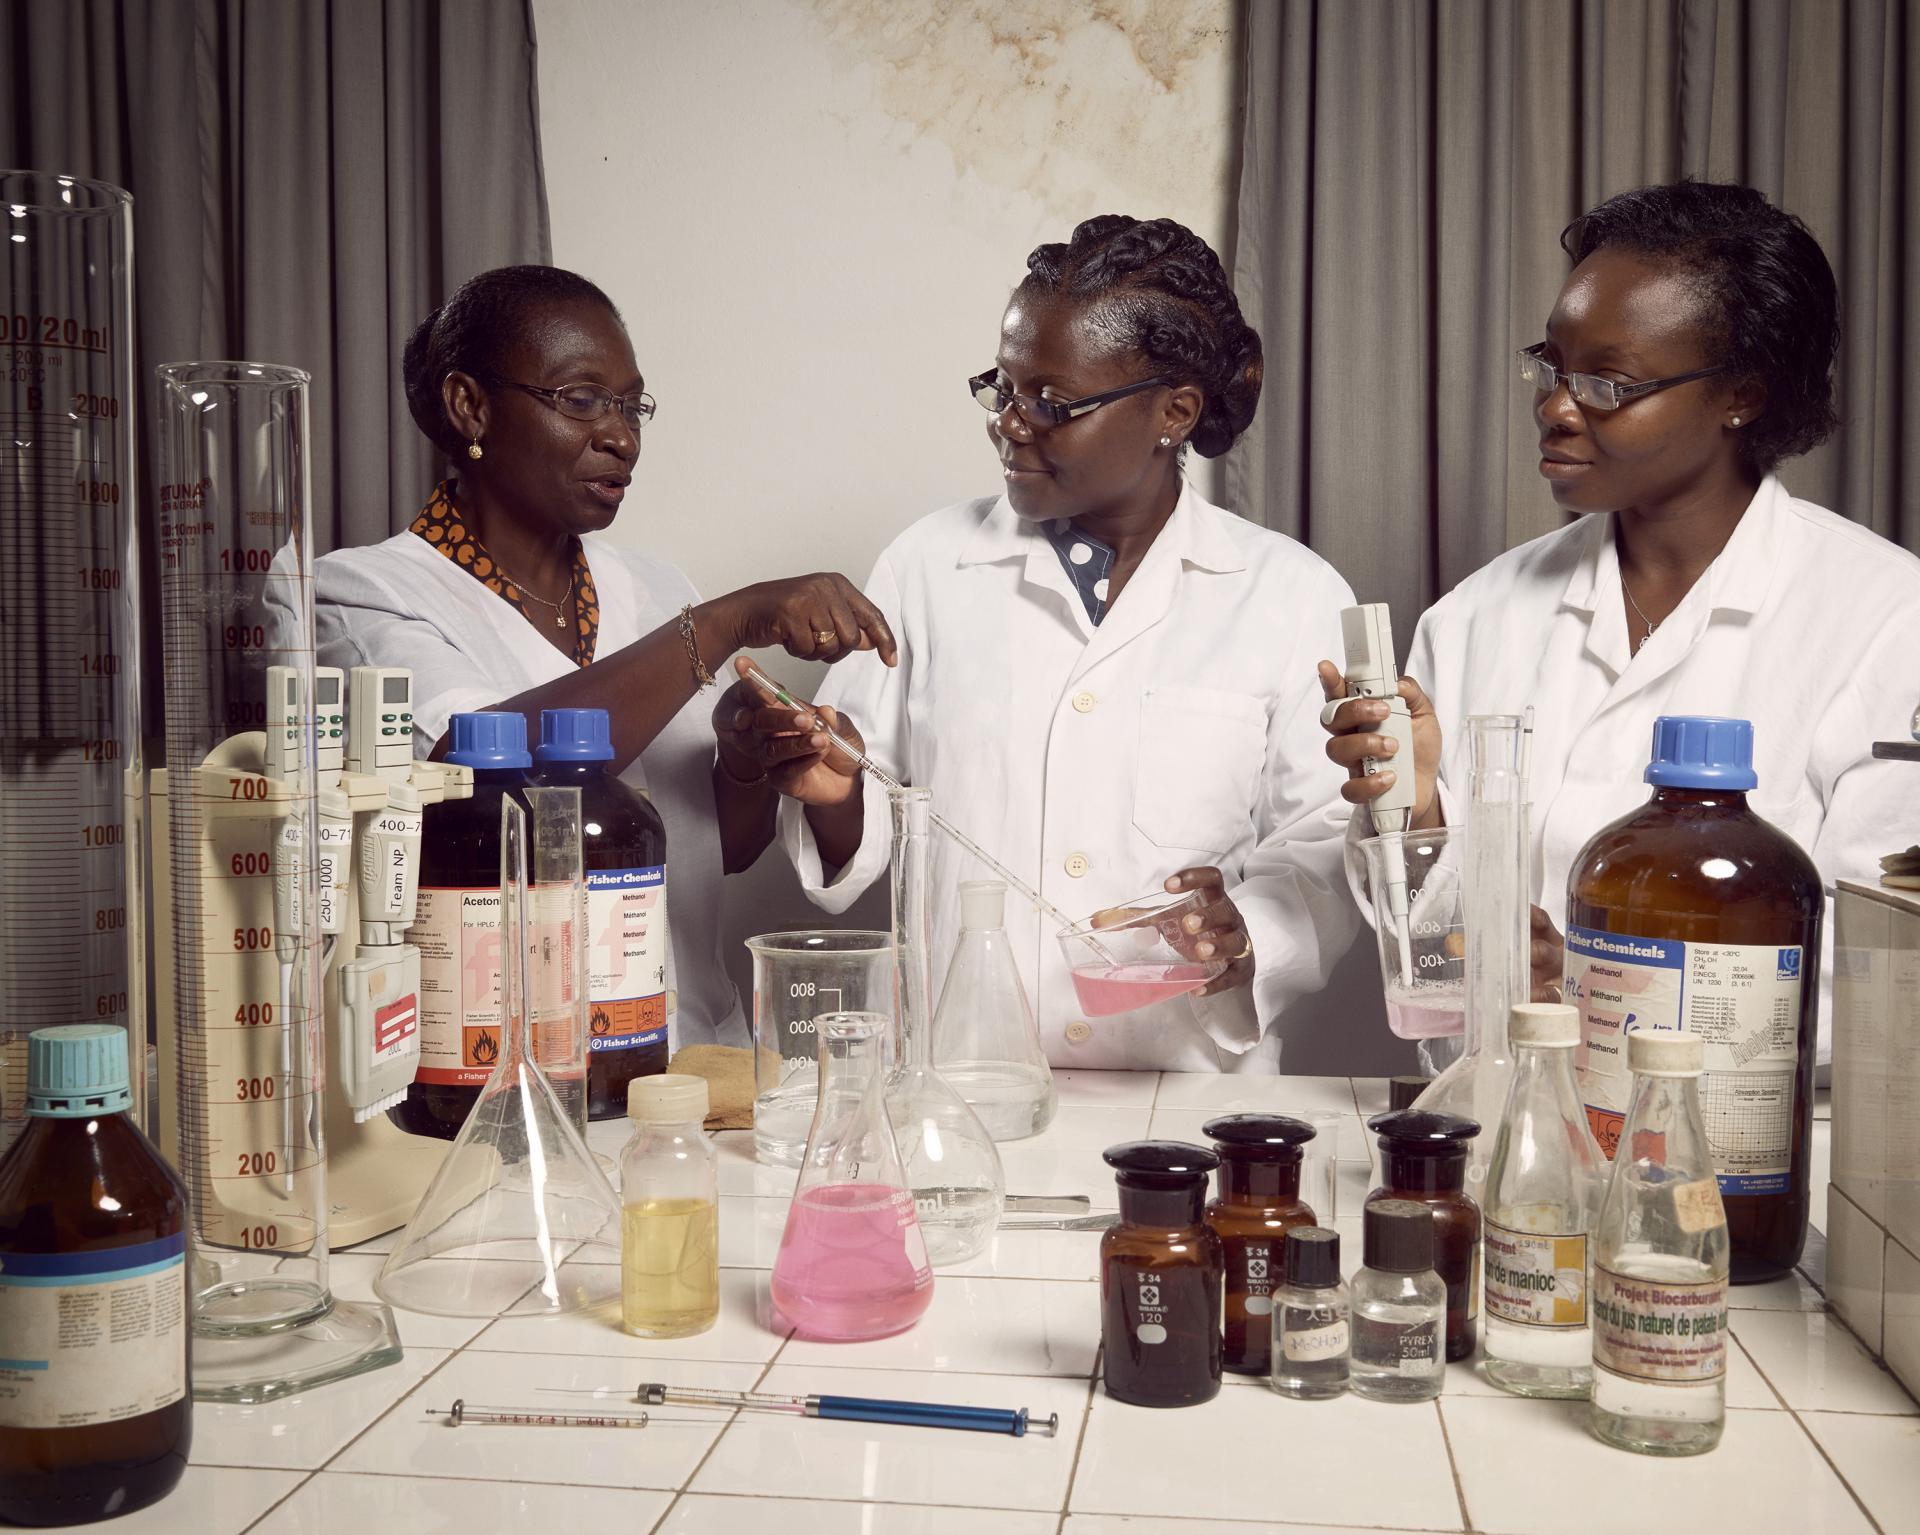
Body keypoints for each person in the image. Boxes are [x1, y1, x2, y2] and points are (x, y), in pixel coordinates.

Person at [720, 216, 1359, 1072]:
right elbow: (857, 812)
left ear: (1174, 412)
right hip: (965, 1083)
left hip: (1190, 1095)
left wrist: (1250, 932)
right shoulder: (927, 566)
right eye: (1003, 388)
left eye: (1053, 404)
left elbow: (1325, 839)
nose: (1011, 425)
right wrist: (832, 791)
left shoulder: (1290, 595)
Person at [1321, 180, 1920, 1059]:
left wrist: (1600, 993)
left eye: (1610, 382)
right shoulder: (1478, 614)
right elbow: (1428, 949)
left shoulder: (1887, 617)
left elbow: (1883, 968)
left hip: (1746, 1145)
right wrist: (1413, 816)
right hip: (1504, 1127)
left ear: (1739, 396)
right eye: (1554, 365)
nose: (1557, 405)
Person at [311, 264, 896, 1048]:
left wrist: (748, 763)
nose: (620, 435)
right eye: (581, 399)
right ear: (470, 404)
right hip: (514, 1075)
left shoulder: (653, 587)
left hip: (698, 1062)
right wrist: (722, 623)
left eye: (630, 405)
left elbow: (717, 849)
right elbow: (489, 781)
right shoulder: (363, 595)